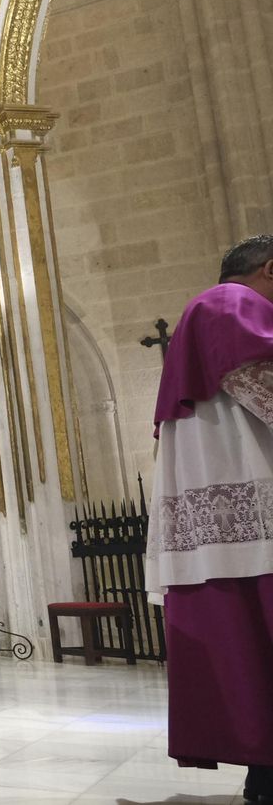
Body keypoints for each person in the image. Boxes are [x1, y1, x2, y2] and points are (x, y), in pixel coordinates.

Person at [147, 235, 273, 805]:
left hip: (231, 514)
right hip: (250, 502)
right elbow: (261, 383)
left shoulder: (208, 310)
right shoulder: (229, 303)